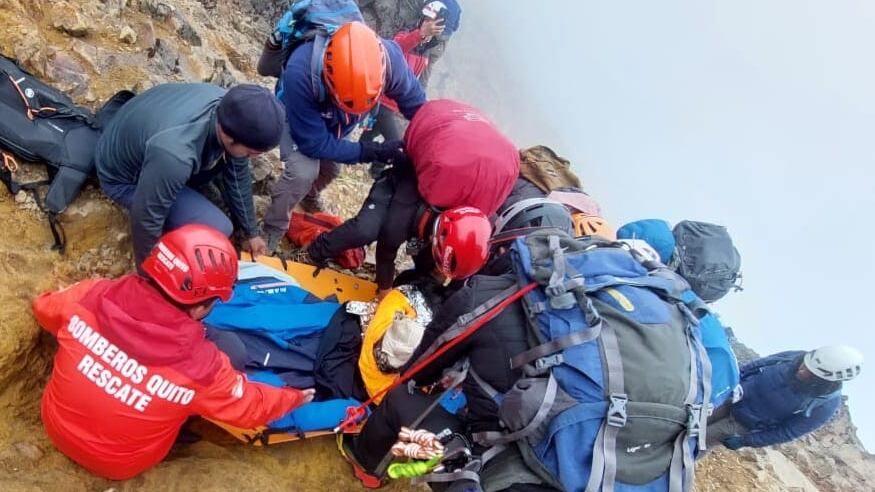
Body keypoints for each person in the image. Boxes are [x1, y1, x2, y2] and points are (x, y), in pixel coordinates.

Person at [32, 225, 315, 480]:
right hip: (119, 463)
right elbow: (250, 406)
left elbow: (44, 309)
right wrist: (292, 398)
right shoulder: (204, 368)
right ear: (199, 308)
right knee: (231, 351)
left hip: (55, 426)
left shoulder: (90, 294)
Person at [259, 21, 427, 251]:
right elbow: (314, 144)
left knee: (331, 169)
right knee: (303, 172)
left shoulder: (388, 62)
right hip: (296, 115)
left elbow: (417, 106)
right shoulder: (301, 73)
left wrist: (429, 140)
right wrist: (371, 152)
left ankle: (309, 195)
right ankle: (272, 228)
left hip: (335, 124)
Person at [95, 83, 284, 267]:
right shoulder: (176, 155)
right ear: (229, 137)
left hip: (145, 133)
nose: (250, 157)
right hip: (124, 178)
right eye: (250, 153)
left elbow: (238, 174)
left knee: (227, 167)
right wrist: (148, 274)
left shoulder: (230, 109)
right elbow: (148, 216)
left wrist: (251, 232)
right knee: (219, 227)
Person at [306, 164, 491, 298]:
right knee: (364, 230)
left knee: (427, 271)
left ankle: (410, 294)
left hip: (424, 210)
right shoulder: (398, 224)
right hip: (393, 187)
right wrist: (384, 292)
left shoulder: (467, 213)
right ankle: (315, 251)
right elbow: (385, 255)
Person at [361, 0, 456, 178]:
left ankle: (362, 154)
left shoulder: (426, 49)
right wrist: (419, 34)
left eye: (434, 23)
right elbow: (397, 47)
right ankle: (376, 171)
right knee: (395, 141)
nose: (430, 25)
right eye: (427, 20)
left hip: (394, 103)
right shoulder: (407, 35)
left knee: (372, 132)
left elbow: (419, 79)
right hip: (382, 99)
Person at [707, 346, 863, 450]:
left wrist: (745, 441)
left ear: (826, 380)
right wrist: (729, 383)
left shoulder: (825, 405)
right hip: (730, 397)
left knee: (695, 442)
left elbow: (788, 431)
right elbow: (757, 364)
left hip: (740, 424)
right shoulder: (794, 357)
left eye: (811, 374)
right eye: (804, 364)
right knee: (687, 419)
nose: (801, 370)